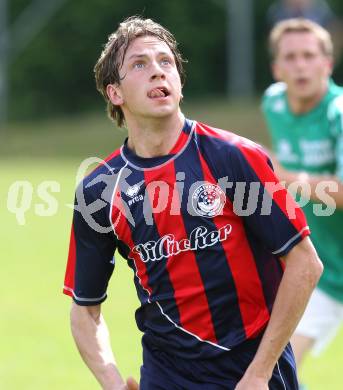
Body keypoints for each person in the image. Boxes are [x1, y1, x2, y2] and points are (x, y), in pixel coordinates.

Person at [63, 16, 323, 390]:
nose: (158, 72)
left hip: (253, 373)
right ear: (115, 93)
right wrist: (113, 382)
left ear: (180, 84)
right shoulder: (100, 189)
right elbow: (85, 307)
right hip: (166, 375)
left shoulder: (233, 157)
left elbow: (304, 263)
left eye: (166, 62)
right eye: (140, 64)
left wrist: (260, 372)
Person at [262, 18, 343, 387]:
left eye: (309, 55)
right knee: (275, 366)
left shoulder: (338, 112)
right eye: (290, 57)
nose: (300, 65)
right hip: (325, 270)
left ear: (327, 64)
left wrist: (283, 178)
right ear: (277, 68)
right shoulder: (274, 103)